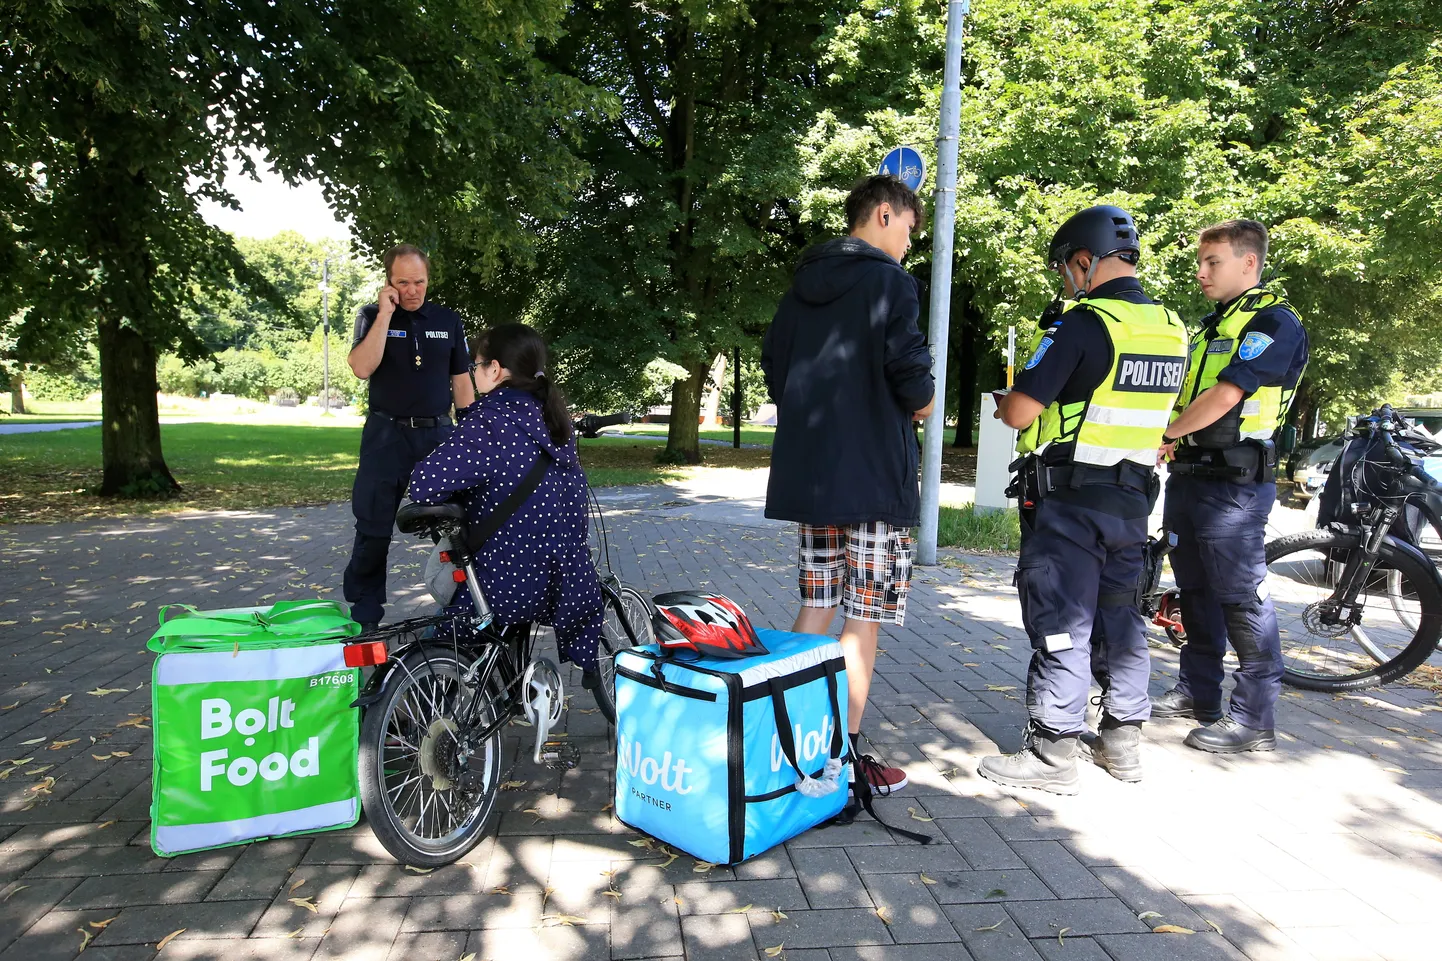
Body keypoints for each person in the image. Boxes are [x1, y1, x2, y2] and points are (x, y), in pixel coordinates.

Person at [977, 205, 1188, 794]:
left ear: (1084, 260)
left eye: (1067, 270)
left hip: (1070, 504)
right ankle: (1122, 744)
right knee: (1122, 620)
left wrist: (1007, 402)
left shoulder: (1080, 325)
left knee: (1061, 620)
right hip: (1133, 502)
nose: (1067, 282)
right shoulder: (1173, 329)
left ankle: (1052, 755)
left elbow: (1020, 411)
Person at [761, 174, 935, 796]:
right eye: (911, 229)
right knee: (864, 618)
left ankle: (768, 735)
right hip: (874, 483)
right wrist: (925, 400)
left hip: (815, 479)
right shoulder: (892, 285)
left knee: (817, 603)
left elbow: (775, 372)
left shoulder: (801, 287)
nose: (911, 244)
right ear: (884, 214)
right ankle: (845, 761)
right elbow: (911, 379)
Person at [1152, 220, 1308, 753]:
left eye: (1212, 262)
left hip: (1235, 488)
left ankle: (1254, 720)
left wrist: (1165, 434)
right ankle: (1199, 694)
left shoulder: (1272, 322)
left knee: (1242, 598)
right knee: (1194, 592)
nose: (1200, 272)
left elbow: (1227, 395)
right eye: (1201, 261)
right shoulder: (1211, 328)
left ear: (1249, 263)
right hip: (1191, 477)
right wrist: (1174, 439)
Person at [407, 323, 604, 675]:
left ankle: (411, 710)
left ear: (494, 369)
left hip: (506, 581)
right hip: (565, 580)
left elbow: (424, 484)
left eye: (476, 365)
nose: (474, 372)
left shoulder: (489, 421)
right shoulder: (556, 421)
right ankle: (514, 689)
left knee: (439, 641)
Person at [344, 244, 475, 631]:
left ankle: (463, 605)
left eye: (419, 281)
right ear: (388, 282)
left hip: (438, 434)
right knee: (372, 524)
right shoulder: (371, 316)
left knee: (459, 524)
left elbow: (461, 380)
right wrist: (386, 313)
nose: (413, 290)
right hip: (387, 435)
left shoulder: (449, 320)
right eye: (403, 282)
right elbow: (361, 368)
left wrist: (469, 430)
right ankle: (366, 617)